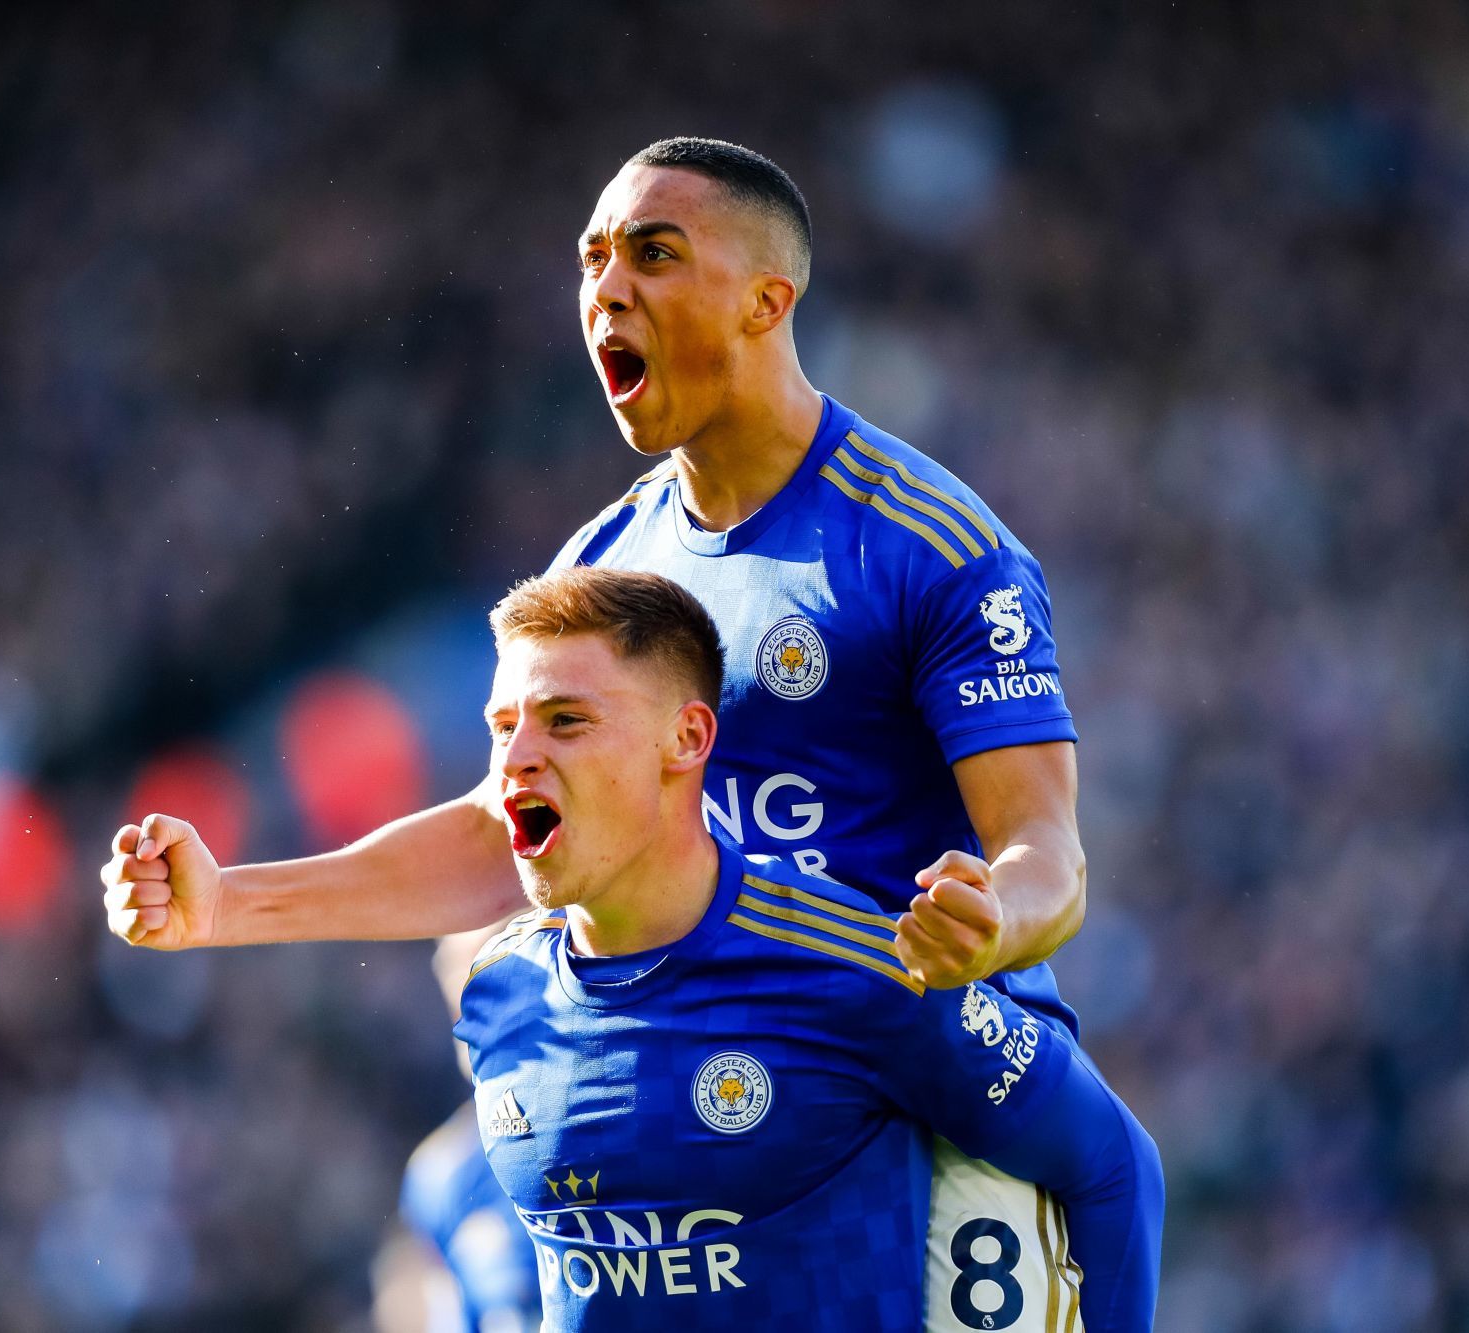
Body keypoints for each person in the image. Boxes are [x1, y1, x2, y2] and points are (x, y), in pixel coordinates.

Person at [101, 137, 1150, 1316]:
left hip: (917, 1090)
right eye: (592, 259)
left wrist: (990, 915)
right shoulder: (604, 562)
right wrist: (229, 905)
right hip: (689, 1074)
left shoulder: (927, 546)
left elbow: (1046, 852)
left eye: (652, 254)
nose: (606, 287)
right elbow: (502, 832)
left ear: (765, 302)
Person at [455, 566, 1160, 1330]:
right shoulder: (499, 989)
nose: (515, 758)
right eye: (502, 727)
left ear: (686, 739)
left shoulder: (853, 966)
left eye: (565, 720)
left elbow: (1113, 1163)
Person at [390, 928, 542, 1333]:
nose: (467, 995)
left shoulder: (624, 1120)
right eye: (454, 969)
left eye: (488, 964)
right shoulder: (439, 1175)